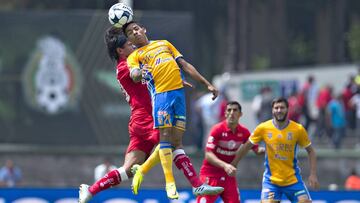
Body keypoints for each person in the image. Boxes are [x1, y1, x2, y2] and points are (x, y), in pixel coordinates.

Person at [79, 27, 222, 203]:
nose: (133, 46)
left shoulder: (132, 60)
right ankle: (196, 184)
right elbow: (138, 75)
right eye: (129, 45)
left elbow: (152, 75)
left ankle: (90, 190)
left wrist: (172, 79)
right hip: (146, 117)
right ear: (120, 50)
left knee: (129, 170)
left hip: (139, 120)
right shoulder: (126, 67)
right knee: (172, 144)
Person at [122, 21, 223, 199]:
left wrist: (207, 84)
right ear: (129, 39)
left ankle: (195, 185)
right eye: (130, 32)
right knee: (166, 138)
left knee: (177, 143)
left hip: (179, 95)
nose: (135, 32)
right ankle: (170, 183)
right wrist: (139, 72)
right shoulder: (135, 56)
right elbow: (135, 75)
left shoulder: (164, 43)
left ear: (144, 29)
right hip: (162, 97)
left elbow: (184, 65)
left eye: (136, 28)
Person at [231, 97, 319, 203]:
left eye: (282, 107)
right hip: (271, 182)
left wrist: (313, 174)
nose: (279, 110)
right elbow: (246, 146)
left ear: (287, 109)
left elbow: (311, 151)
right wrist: (234, 163)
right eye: (276, 108)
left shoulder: (298, 129)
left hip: (293, 181)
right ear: (272, 110)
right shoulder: (263, 128)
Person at [196, 101, 264, 203]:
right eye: (229, 110)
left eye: (235, 110)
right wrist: (225, 166)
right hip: (210, 175)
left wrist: (265, 149)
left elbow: (256, 149)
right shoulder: (217, 129)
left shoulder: (244, 132)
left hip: (229, 177)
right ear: (225, 113)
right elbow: (208, 155)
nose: (232, 113)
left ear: (240, 114)